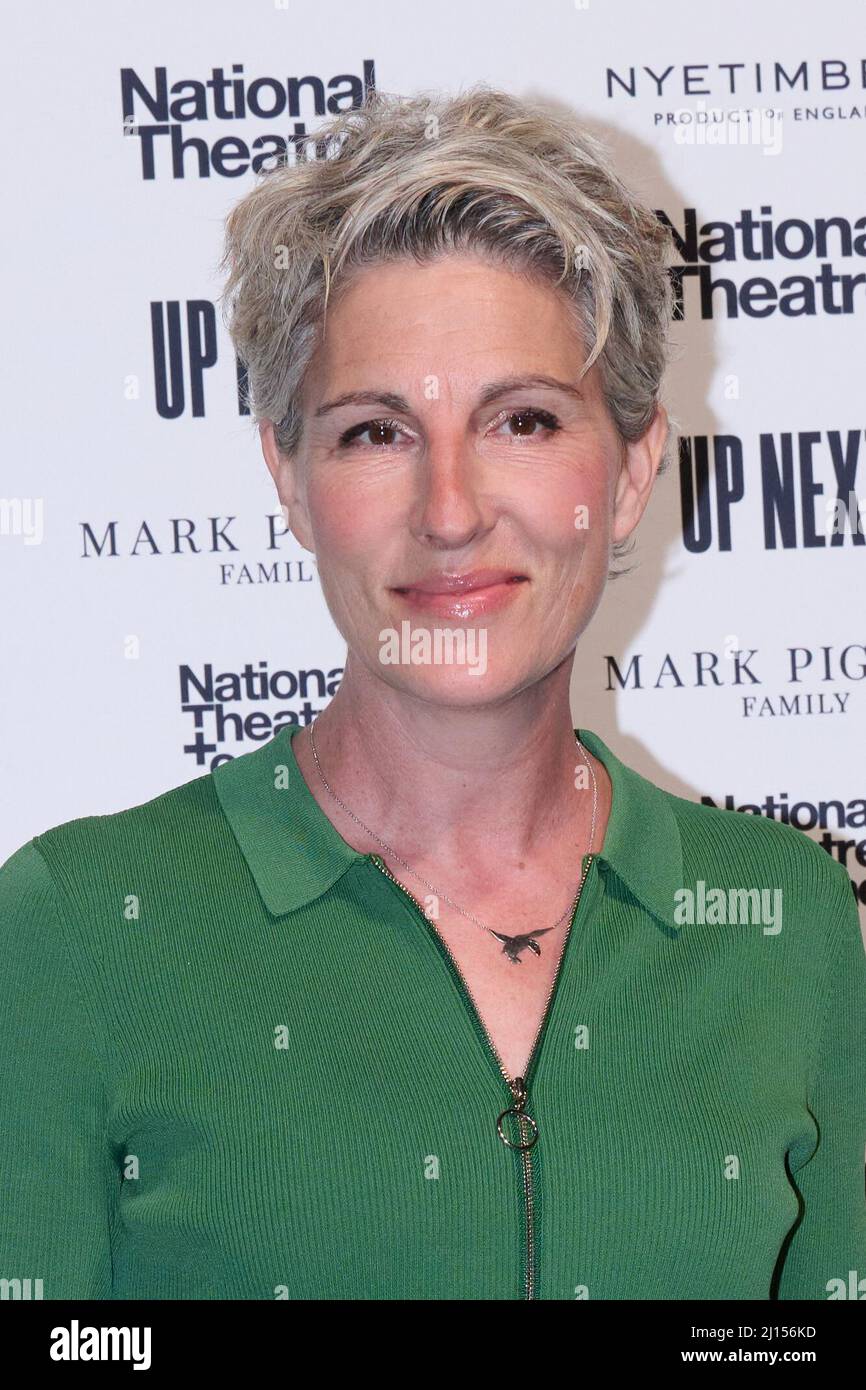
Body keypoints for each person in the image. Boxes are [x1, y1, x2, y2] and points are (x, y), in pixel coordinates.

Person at [1, 85, 864, 1301]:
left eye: (520, 418)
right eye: (373, 432)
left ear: (626, 475)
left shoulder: (783, 918)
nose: (451, 510)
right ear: (289, 480)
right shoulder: (79, 924)